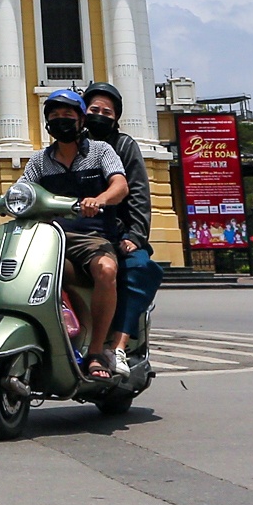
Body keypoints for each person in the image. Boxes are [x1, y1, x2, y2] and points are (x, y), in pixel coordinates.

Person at [0, 88, 128, 382]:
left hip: (91, 237)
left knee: (106, 269)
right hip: (49, 236)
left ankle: (97, 351)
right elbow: (23, 191)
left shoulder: (101, 152)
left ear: (81, 119)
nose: (61, 120)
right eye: (55, 115)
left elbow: (120, 186)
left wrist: (99, 199)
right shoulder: (39, 161)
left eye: (67, 115)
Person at [82, 81, 164, 381]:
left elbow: (138, 193)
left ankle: (117, 345)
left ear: (116, 117)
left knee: (140, 269)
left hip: (118, 233)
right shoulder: (72, 145)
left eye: (107, 112)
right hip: (81, 232)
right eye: (94, 109)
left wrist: (135, 236)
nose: (100, 115)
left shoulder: (124, 145)